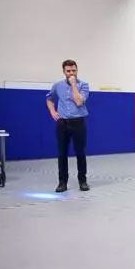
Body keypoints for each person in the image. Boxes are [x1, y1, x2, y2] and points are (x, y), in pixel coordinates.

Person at [46, 59, 90, 192]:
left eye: (74, 70)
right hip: (63, 123)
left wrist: (73, 85)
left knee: (80, 153)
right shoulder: (57, 85)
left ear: (77, 70)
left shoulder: (84, 85)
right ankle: (62, 182)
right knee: (62, 153)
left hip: (78, 123)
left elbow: (78, 101)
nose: (71, 73)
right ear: (64, 71)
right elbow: (49, 98)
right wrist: (53, 111)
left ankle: (82, 181)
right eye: (68, 71)